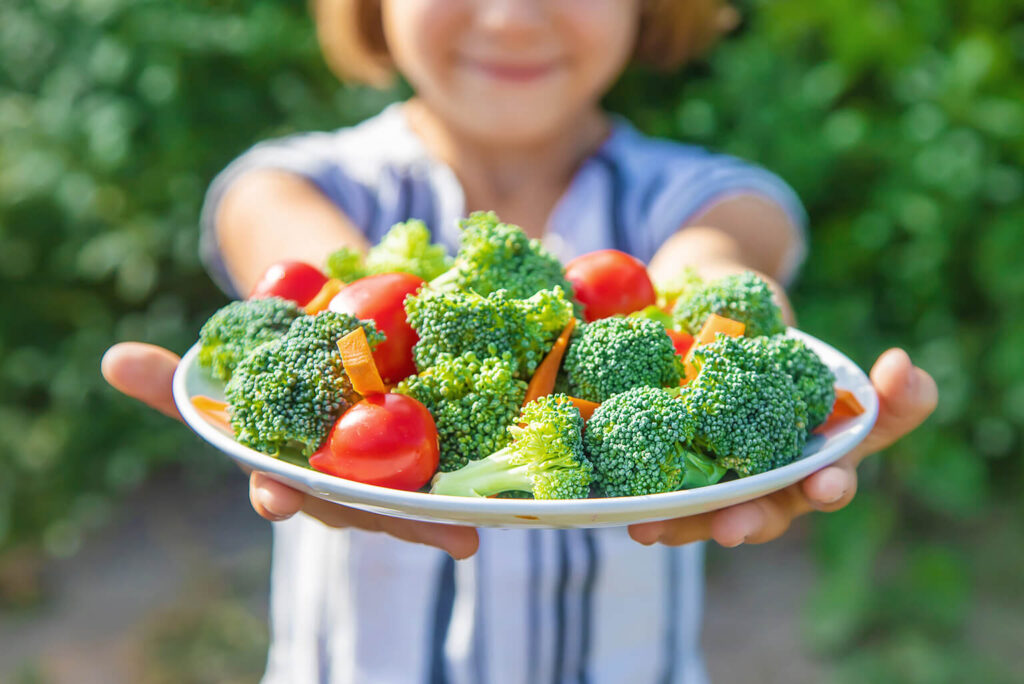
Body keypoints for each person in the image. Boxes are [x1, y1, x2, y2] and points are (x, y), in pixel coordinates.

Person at [102, 1, 939, 681]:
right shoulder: (308, 180)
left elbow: (726, 250)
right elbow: (280, 238)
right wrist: (342, 318)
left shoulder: (700, 193)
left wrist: (731, 340)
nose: (509, 16)